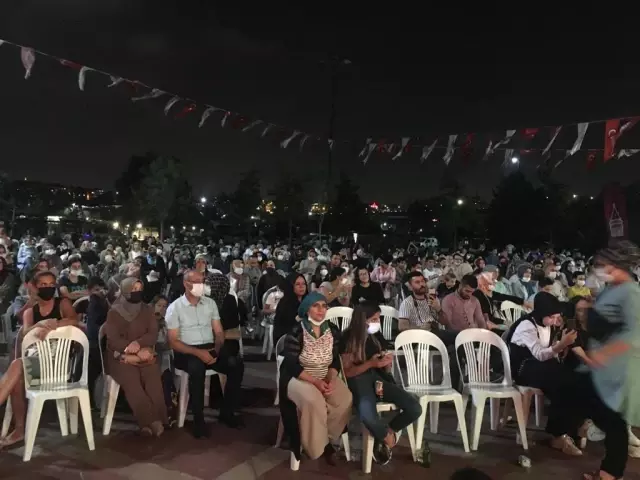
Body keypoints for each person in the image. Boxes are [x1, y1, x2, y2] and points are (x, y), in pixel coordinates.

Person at [579, 242, 640, 480]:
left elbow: (634, 333)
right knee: (606, 415)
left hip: (619, 367)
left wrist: (605, 354)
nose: (600, 269)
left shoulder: (631, 292)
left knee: (614, 420)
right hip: (600, 367)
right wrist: (586, 311)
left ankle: (610, 473)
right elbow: (604, 323)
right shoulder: (609, 289)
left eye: (604, 264)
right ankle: (609, 470)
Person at [0, 271, 79, 448]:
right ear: (35, 287)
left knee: (17, 366)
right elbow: (26, 332)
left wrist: (54, 324)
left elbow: (75, 320)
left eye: (51, 284)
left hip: (59, 365)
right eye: (43, 284)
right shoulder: (30, 312)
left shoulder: (62, 304)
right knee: (18, 373)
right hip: (35, 363)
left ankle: (20, 429)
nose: (47, 287)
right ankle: (20, 429)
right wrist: (39, 325)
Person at [506, 292, 590, 456]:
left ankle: (572, 429)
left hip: (541, 367)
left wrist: (560, 343)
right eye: (551, 317)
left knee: (576, 379)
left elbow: (548, 352)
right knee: (562, 381)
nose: (554, 321)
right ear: (541, 313)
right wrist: (562, 345)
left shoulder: (548, 325)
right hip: (524, 368)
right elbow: (539, 354)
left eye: (556, 317)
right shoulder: (526, 325)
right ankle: (559, 434)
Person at [340, 302, 421, 465]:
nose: (377, 322)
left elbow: (381, 366)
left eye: (378, 319)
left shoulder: (375, 337)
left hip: (378, 379)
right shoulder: (348, 338)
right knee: (368, 415)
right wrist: (370, 364)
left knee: (414, 407)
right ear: (363, 320)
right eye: (374, 319)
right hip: (358, 379)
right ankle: (386, 438)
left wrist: (385, 362)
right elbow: (347, 372)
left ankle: (384, 435)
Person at [166, 270, 244, 437]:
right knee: (197, 368)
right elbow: (173, 341)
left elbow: (219, 332)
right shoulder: (175, 308)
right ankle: (198, 420)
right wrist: (199, 353)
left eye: (203, 282)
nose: (203, 286)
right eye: (199, 282)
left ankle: (227, 412)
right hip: (186, 350)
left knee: (235, 364)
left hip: (209, 347)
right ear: (187, 284)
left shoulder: (210, 304)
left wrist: (216, 350)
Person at [278, 292, 353, 464]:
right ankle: (319, 448)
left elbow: (335, 360)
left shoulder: (333, 330)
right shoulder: (297, 331)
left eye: (324, 306)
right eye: (315, 306)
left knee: (345, 399)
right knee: (315, 401)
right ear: (307, 309)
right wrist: (316, 382)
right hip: (299, 377)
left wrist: (332, 379)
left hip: (324, 374)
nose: (321, 310)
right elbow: (292, 365)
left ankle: (325, 436)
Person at [104, 278, 167, 436]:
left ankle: (154, 420)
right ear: (125, 291)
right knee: (132, 380)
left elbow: (152, 334)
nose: (137, 292)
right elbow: (113, 340)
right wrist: (133, 351)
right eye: (133, 289)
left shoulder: (147, 310)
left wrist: (139, 345)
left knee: (152, 376)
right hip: (119, 356)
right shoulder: (114, 312)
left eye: (139, 288)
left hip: (143, 352)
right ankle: (150, 421)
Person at [273, 273, 308, 343]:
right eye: (297, 284)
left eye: (303, 284)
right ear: (291, 286)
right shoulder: (285, 304)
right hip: (288, 341)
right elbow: (285, 327)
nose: (301, 287)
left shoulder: (308, 302)